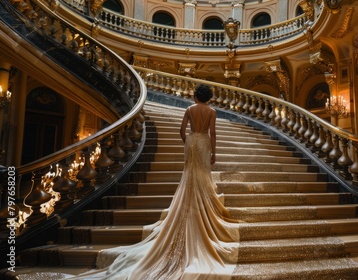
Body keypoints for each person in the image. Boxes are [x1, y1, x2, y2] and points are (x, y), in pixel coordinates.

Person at [68, 84, 240, 279]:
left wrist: (188, 141)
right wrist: (214, 152)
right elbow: (213, 133)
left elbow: (182, 130)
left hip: (192, 141)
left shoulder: (190, 109)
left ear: (195, 97)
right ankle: (202, 201)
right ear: (208, 97)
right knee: (202, 173)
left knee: (189, 174)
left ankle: (190, 199)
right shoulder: (211, 111)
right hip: (204, 142)